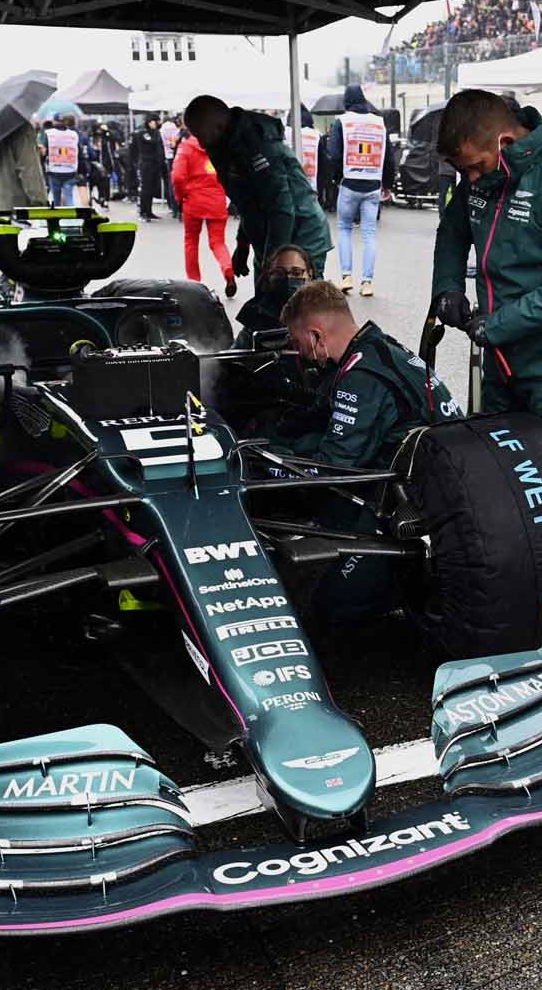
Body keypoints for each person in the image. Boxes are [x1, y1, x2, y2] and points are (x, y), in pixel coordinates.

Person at [429, 89, 542, 473]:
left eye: (475, 167)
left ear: (506, 142)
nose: (471, 179)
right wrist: (447, 286)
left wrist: (497, 324)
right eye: (463, 171)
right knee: (501, 467)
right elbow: (452, 230)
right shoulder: (483, 173)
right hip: (500, 356)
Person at [277, 281, 459, 621]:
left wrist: (273, 463)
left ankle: (410, 583)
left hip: (420, 501)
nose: (297, 350)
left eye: (296, 340)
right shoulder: (379, 346)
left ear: (316, 335)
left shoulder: (362, 377)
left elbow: (334, 468)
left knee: (331, 606)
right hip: (436, 474)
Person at [185, 94, 333, 281]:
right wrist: (243, 244)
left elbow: (281, 209)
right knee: (266, 301)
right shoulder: (226, 146)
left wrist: (272, 263)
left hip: (301, 233)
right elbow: (248, 201)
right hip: (271, 235)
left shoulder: (258, 145)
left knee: (300, 303)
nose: (199, 142)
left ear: (218, 126)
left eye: (200, 134)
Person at [327, 84, 388, 297]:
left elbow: (333, 155)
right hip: (373, 185)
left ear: (347, 102)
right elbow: (388, 157)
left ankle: (346, 277)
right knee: (369, 233)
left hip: (349, 183)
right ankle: (367, 282)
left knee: (344, 229)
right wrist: (387, 184)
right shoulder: (380, 123)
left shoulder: (342, 122)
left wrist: (336, 179)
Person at [171, 129, 236, 296]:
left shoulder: (186, 147)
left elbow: (178, 176)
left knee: (191, 241)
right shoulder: (220, 147)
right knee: (218, 242)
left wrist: (180, 196)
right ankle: (227, 269)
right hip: (216, 200)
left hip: (193, 200)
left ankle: (194, 283)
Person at [236, 244, 311, 346]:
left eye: (296, 273)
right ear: (269, 277)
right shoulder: (257, 315)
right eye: (279, 273)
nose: (288, 278)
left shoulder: (325, 311)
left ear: (310, 274)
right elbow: (236, 354)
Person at [131, 113, 170, 221]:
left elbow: (160, 146)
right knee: (146, 189)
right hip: (146, 164)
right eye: (155, 121)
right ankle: (143, 212)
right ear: (149, 122)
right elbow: (151, 141)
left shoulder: (156, 133)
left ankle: (149, 211)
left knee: (152, 188)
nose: (157, 124)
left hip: (156, 164)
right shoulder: (143, 133)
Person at [43, 115, 81, 207]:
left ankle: (57, 217)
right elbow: (78, 151)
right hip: (70, 170)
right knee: (69, 196)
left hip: (54, 170)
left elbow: (45, 151)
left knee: (56, 198)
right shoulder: (74, 135)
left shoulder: (48, 134)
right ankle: (72, 218)